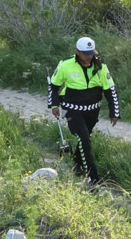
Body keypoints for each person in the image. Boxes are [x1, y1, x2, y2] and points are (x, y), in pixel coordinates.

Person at [48, 37, 120, 185]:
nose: (89, 57)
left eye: (91, 53)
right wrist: (54, 105)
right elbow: (54, 87)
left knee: (85, 138)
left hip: (93, 110)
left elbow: (110, 90)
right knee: (84, 139)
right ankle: (92, 178)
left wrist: (115, 112)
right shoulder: (65, 65)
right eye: (85, 53)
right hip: (73, 109)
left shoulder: (101, 66)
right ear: (77, 52)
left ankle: (77, 163)